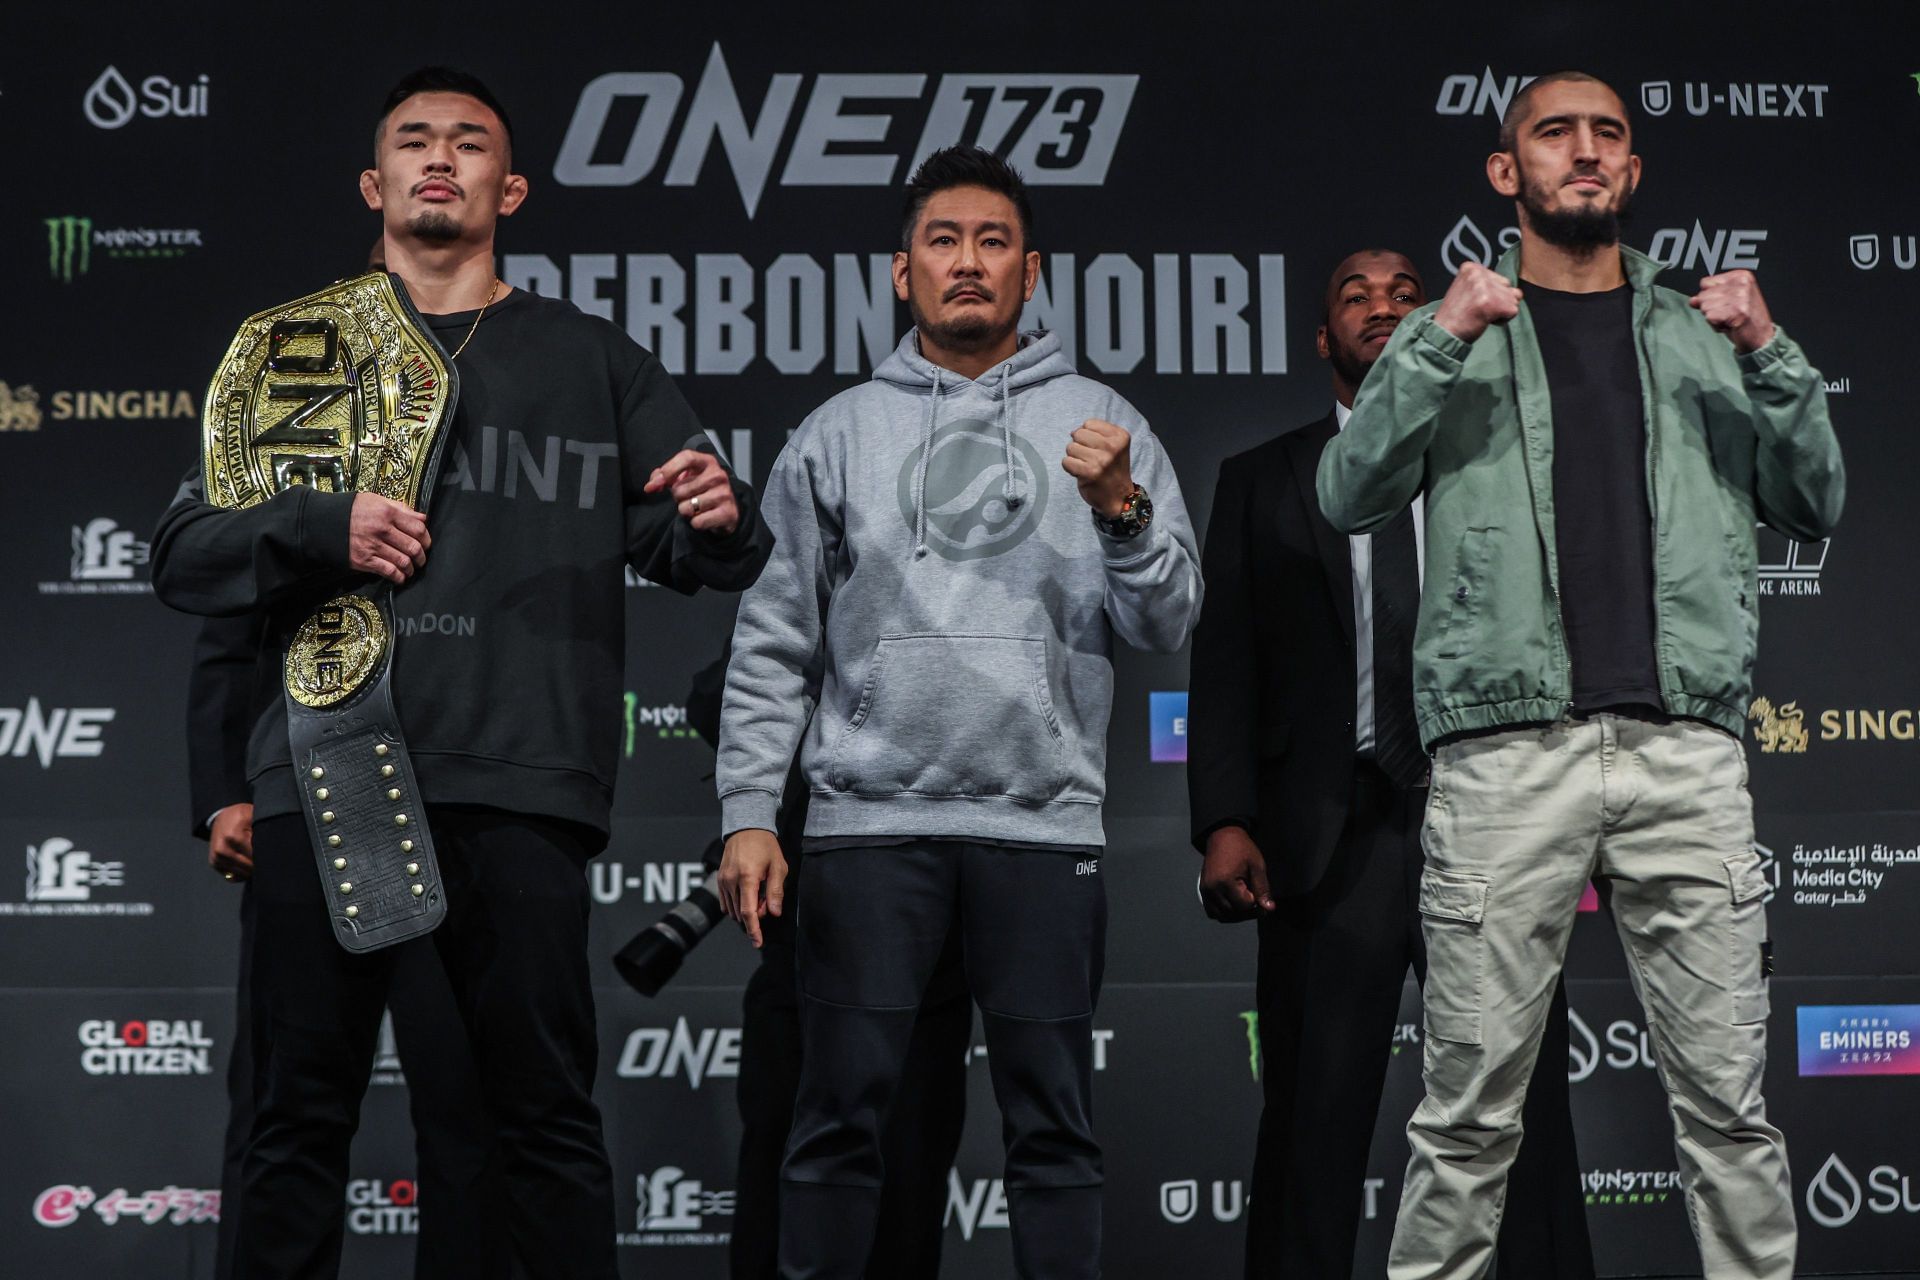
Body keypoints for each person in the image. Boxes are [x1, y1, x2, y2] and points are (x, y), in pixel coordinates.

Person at [152, 65, 772, 1280]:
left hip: (520, 784)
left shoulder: (595, 357)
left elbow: (705, 543)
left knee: (526, 1127)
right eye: (416, 142)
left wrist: (714, 511)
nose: (443, 157)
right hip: (325, 779)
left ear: (512, 186)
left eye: (471, 142)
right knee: (289, 1125)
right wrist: (321, 530)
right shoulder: (294, 346)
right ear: (375, 182)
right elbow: (190, 556)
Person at [1319, 72, 1843, 1280]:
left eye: (1608, 134)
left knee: (1730, 1117)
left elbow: (1817, 499)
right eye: (1554, 134)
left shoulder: (1705, 325)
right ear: (1508, 174)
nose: (1585, 151)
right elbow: (1347, 491)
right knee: (1466, 1121)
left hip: (1686, 752)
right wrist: (1440, 335)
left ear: (1634, 170)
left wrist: (1770, 349)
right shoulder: (1456, 327)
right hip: (1507, 754)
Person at [714, 145, 1203, 1279]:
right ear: (902, 271)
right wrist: (748, 809)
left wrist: (1122, 508)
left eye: (993, 243)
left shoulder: (1102, 422)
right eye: (944, 241)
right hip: (865, 830)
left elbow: (1171, 620)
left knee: (1054, 1137)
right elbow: (772, 635)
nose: (969, 263)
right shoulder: (837, 431)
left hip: (1041, 827)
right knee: (839, 1128)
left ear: (1031, 273)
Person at [1188, 248, 1593, 1278]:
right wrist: (1223, 817)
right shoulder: (1260, 479)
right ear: (1322, 337)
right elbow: (1227, 661)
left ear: (1436, 322)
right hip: (1331, 830)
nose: (1380, 306)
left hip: (1488, 816)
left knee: (1523, 1107)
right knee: (1312, 1116)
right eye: (1354, 296)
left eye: (1403, 293)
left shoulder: (1496, 468)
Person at [683, 651, 971, 1280]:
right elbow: (719, 693)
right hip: (807, 941)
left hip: (933, 951)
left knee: (909, 1183)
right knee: (780, 1176)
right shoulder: (817, 586)